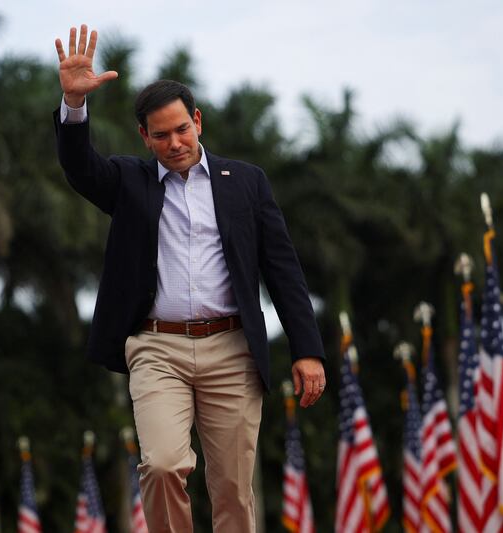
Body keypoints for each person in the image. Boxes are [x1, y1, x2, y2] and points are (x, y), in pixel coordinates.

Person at [53, 24, 326, 532]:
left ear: (197, 121)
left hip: (231, 349)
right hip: (158, 350)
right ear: (144, 136)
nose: (174, 143)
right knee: (160, 465)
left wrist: (307, 348)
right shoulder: (128, 181)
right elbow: (79, 168)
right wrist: (73, 106)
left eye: (182, 129)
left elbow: (282, 268)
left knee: (233, 488)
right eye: (161, 135)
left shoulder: (246, 181)